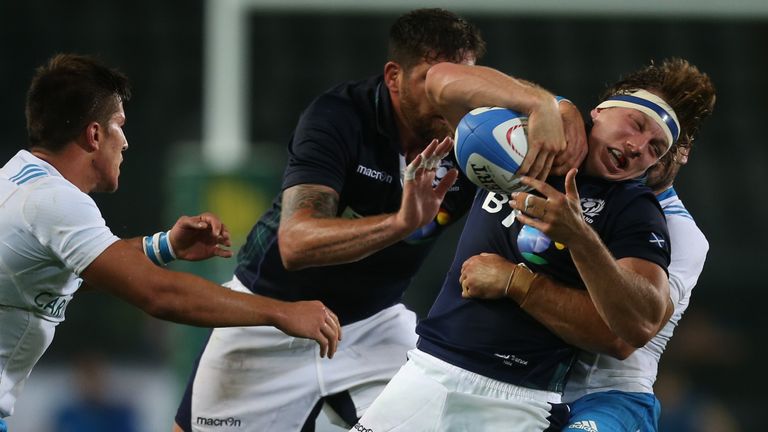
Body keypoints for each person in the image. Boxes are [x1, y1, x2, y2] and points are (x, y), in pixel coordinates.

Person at [173, 8, 586, 432]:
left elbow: (567, 127)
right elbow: (295, 244)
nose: (453, 97)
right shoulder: (338, 117)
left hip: (374, 325)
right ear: (394, 77)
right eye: (435, 81)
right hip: (271, 316)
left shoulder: (482, 135)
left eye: (466, 82)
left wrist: (559, 108)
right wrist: (400, 223)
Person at [352, 59, 715, 431]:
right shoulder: (533, 137)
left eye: (656, 147)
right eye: (635, 125)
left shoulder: (639, 210)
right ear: (600, 110)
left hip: (534, 398)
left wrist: (560, 251)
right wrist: (549, 103)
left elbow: (633, 330)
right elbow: (440, 81)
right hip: (426, 370)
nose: (637, 146)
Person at [0, 53, 342, 427]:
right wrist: (281, 311)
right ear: (94, 135)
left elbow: (67, 270)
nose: (126, 142)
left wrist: (165, 247)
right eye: (119, 125)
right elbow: (158, 294)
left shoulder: (18, 181)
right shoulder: (55, 200)